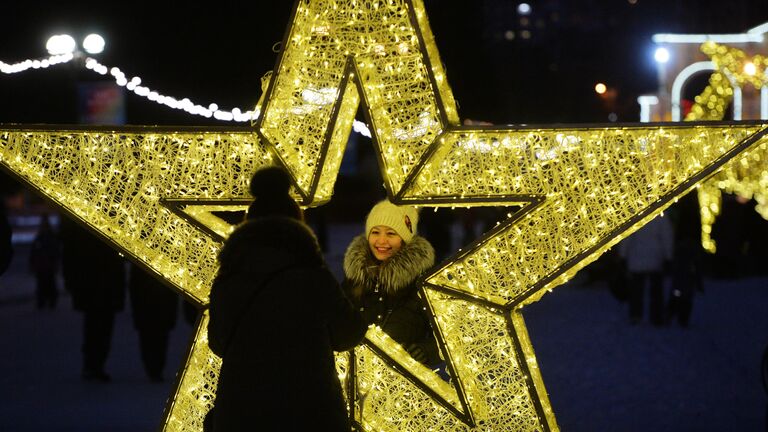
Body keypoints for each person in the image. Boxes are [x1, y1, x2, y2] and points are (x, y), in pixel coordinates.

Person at [207, 166, 366, 432]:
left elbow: (218, 343)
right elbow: (348, 334)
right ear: (297, 224)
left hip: (243, 412)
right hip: (310, 411)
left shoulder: (230, 277)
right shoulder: (313, 277)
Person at [342, 200, 441, 367]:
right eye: (375, 232)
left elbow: (445, 336)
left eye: (390, 233)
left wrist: (425, 351)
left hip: (404, 383)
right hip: (358, 381)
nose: (381, 241)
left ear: (404, 238)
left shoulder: (422, 282)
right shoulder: (355, 279)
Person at [60, 217, 126, 382]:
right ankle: (94, 364)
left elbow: (69, 249)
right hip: (102, 283)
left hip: (93, 282)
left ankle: (92, 364)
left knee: (95, 324)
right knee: (101, 325)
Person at [619, 215, 674, 326]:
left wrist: (622, 255)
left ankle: (636, 315)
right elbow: (667, 237)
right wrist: (668, 256)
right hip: (655, 258)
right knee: (656, 290)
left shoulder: (635, 215)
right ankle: (656, 316)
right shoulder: (661, 216)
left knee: (636, 289)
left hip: (636, 258)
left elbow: (627, 237)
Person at [128, 264, 179, 382]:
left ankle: (154, 369)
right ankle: (155, 370)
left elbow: (134, 287)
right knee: (157, 339)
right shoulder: (166, 265)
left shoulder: (140, 267)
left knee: (151, 339)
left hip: (150, 307)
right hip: (157, 307)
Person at [29, 213, 60, 309]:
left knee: (45, 284)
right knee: (46, 284)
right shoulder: (46, 236)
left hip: (46, 265)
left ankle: (45, 302)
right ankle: (47, 301)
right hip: (44, 265)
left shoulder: (43, 236)